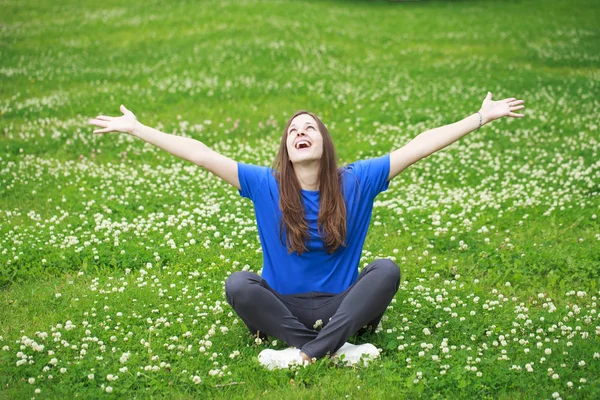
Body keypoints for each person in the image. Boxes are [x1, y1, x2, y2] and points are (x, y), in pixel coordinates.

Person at [88, 92, 525, 369]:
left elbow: (420, 144)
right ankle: (337, 349)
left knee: (386, 269)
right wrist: (138, 128)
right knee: (239, 284)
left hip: (341, 304)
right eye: (293, 130)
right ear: (287, 148)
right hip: (284, 306)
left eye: (309, 128)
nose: (300, 132)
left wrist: (479, 117)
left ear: (322, 142)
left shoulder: (358, 179)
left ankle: (303, 354)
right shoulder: (266, 184)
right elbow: (201, 154)